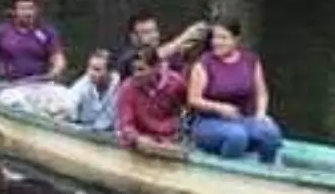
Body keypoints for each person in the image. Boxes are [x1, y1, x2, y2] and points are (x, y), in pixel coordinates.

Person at [185, 16, 282, 163]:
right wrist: (219, 108)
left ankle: (268, 171)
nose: (217, 42)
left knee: (271, 133)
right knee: (237, 136)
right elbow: (193, 99)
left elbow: (262, 93)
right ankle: (228, 172)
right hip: (208, 122)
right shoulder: (204, 64)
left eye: (223, 38)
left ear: (236, 40)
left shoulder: (251, 60)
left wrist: (260, 115)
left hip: (243, 118)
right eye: (215, 38)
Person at [0, 0, 70, 114]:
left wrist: (57, 70)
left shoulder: (47, 32)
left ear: (36, 10)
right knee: (19, 104)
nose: (27, 13)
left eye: (30, 8)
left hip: (41, 83)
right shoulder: (1, 32)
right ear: (14, 12)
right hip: (10, 86)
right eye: (22, 9)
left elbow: (58, 56)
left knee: (67, 98)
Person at [115, 46, 189, 150]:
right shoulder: (127, 88)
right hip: (139, 140)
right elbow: (126, 124)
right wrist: (138, 138)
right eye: (133, 70)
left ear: (156, 67)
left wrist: (179, 132)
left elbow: (188, 109)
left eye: (141, 69)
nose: (136, 75)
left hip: (169, 139)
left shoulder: (176, 83)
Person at [114, 11, 208, 79]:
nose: (153, 36)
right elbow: (150, 58)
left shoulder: (169, 55)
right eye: (146, 32)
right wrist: (185, 37)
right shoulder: (127, 58)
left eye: (154, 31)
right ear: (133, 37)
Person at [68, 48, 120, 131]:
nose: (90, 73)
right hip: (82, 127)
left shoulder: (120, 88)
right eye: (89, 68)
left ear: (110, 72)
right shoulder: (85, 80)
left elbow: (108, 121)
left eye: (97, 70)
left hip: (109, 134)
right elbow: (69, 102)